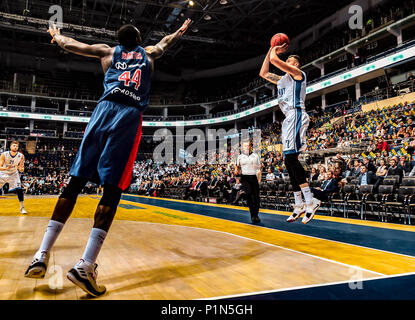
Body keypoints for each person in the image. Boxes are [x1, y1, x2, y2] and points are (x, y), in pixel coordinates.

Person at [25, 19, 192, 297]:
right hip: (127, 116)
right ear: (138, 39)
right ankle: (86, 265)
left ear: (119, 39)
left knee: (74, 182)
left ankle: (41, 254)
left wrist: (57, 35)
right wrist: (179, 31)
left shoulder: (107, 52)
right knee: (112, 189)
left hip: (101, 112)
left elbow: (71, 45)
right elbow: (165, 43)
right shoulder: (148, 53)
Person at [260, 43, 321, 224]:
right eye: (287, 60)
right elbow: (263, 73)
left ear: (297, 66)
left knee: (292, 159)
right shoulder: (281, 80)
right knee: (288, 161)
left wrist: (273, 48)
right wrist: (269, 50)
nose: (289, 62)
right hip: (287, 119)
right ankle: (298, 203)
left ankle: (311, 201)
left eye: (292, 61)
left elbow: (273, 60)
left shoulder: (298, 75)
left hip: (297, 113)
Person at [235, 140, 261, 224]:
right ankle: (252, 215)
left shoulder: (255, 155)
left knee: (256, 197)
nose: (246, 147)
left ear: (250, 146)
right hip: (245, 177)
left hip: (254, 177)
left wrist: (259, 179)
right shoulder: (240, 157)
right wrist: (236, 170)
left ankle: (256, 215)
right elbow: (237, 167)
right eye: (245, 146)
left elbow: (259, 167)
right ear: (243, 147)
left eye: (248, 145)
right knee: (249, 194)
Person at [0, 141, 27, 214]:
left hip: (14, 174)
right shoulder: (4, 154)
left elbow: (22, 168)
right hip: (3, 173)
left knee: (20, 190)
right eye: (14, 146)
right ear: (10, 147)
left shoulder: (21, 156)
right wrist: (7, 168)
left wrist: (21, 169)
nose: (15, 147)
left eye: (17, 146)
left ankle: (22, 208)